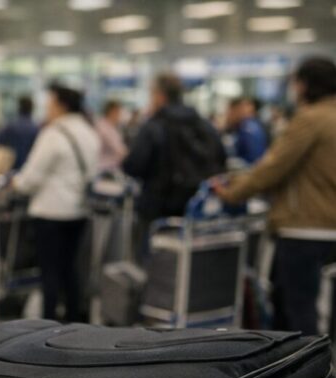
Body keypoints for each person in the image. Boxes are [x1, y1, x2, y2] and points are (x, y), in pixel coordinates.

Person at [213, 57, 336, 334]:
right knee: (318, 306)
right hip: (329, 227)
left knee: (297, 309)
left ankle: (306, 373)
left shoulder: (311, 118)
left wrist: (232, 192)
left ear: (304, 84)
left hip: (304, 226)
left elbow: (273, 168)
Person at [12, 84, 100, 322]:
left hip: (50, 213)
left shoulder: (53, 134)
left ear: (61, 105)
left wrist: (15, 184)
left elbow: (30, 178)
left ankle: (48, 324)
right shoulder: (89, 132)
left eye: (49, 104)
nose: (46, 109)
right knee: (70, 269)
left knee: (49, 272)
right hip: (79, 212)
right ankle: (74, 322)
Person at [122, 72, 226, 253]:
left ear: (160, 96)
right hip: (195, 209)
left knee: (156, 262)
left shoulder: (153, 126)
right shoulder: (203, 124)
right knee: (188, 263)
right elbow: (221, 158)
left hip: (157, 210)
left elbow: (133, 166)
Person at [0, 95, 40, 170]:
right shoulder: (36, 128)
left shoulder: (10, 126)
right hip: (29, 167)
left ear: (19, 107)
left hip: (10, 166)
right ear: (32, 109)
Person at [225, 97, 269, 166]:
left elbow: (254, 159)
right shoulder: (249, 125)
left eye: (230, 111)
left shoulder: (248, 128)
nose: (228, 115)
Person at [96, 100, 128, 172]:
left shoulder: (111, 127)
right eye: (119, 112)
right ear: (113, 111)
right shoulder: (104, 127)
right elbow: (119, 150)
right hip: (105, 168)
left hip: (110, 167)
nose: (121, 115)